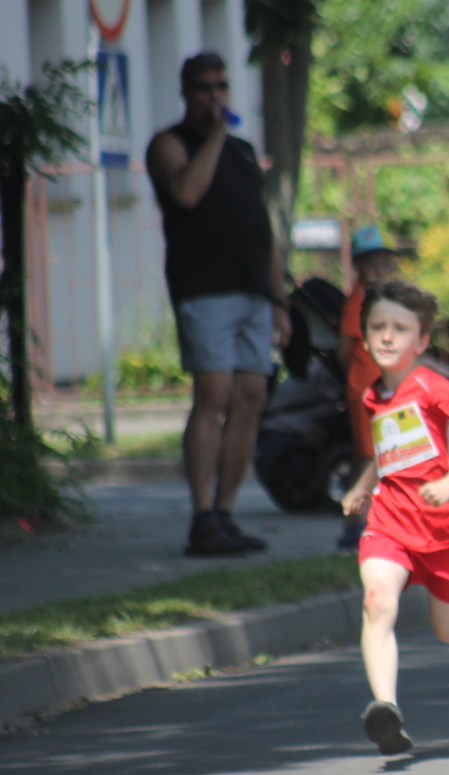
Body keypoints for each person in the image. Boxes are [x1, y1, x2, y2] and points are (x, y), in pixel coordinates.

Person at [340, 278, 449, 755]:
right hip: (390, 520)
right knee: (377, 600)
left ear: (422, 341)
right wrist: (363, 486)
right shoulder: (375, 395)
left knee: (448, 630)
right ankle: (385, 708)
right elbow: (388, 450)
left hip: (446, 526)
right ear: (366, 337)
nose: (387, 337)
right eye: (378, 327)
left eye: (400, 329)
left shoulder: (431, 386)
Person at [146, 51, 291, 556]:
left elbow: (263, 232)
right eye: (205, 88)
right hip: (204, 290)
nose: (215, 96)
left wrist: (279, 300)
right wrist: (212, 136)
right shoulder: (171, 144)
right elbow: (186, 193)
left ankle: (226, 513)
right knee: (215, 393)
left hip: (254, 292)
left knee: (252, 397)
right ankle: (201, 515)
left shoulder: (243, 151)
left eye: (222, 86)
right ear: (187, 94)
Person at [337, 225, 400, 550]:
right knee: (367, 459)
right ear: (359, 268)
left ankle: (375, 524)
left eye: (384, 264)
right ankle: (352, 527)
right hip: (365, 391)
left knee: (384, 457)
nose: (380, 270)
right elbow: (345, 349)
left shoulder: (380, 300)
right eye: (372, 265)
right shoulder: (358, 302)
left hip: (383, 391)